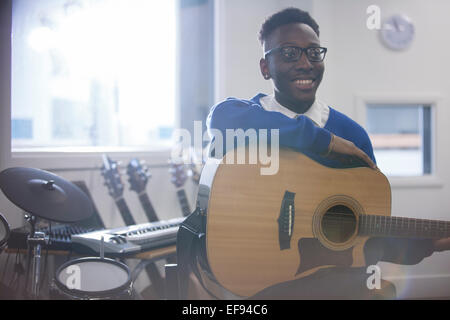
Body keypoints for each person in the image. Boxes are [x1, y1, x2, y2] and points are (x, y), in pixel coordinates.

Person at [205, 7, 450, 299]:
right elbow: (222, 119)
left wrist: (424, 245)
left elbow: (364, 239)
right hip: (263, 285)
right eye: (289, 53)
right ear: (265, 67)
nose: (305, 63)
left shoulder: (353, 135)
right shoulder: (243, 117)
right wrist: (325, 142)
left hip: (337, 283)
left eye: (313, 53)